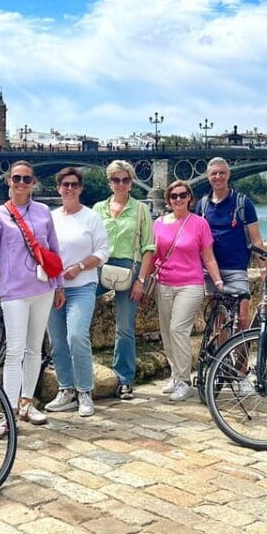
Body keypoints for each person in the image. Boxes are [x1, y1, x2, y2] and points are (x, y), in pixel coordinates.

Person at [0, 160, 65, 439]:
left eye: (26, 179)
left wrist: (58, 286)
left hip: (43, 289)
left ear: (33, 183)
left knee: (35, 348)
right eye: (16, 179)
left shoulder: (43, 212)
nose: (21, 184)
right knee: (14, 351)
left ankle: (26, 403)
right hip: (14, 291)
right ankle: (8, 414)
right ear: (8, 181)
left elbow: (53, 251)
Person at [45, 167, 109, 417]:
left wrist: (80, 266)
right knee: (57, 341)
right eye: (65, 184)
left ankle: (85, 391)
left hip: (83, 286)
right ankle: (66, 389)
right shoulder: (50, 218)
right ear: (58, 188)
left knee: (76, 336)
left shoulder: (91, 217)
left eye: (74, 184)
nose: (69, 188)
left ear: (81, 188)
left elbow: (103, 252)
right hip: (54, 287)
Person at [153, 181, 223, 401]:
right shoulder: (159, 223)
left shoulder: (199, 223)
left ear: (190, 198)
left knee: (178, 330)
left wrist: (218, 281)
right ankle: (176, 375)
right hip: (163, 283)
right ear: (168, 200)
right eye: (173, 196)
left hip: (190, 284)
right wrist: (142, 279)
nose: (178, 199)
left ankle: (184, 381)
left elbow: (208, 256)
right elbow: (152, 255)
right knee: (166, 332)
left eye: (183, 195)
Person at [93, 160, 155, 400]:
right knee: (76, 313)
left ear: (131, 182)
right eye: (116, 179)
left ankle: (125, 379)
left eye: (125, 180)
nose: (121, 184)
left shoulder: (140, 210)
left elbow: (148, 248)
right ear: (110, 183)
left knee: (125, 327)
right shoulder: (98, 208)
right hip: (100, 267)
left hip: (129, 268)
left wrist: (141, 280)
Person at [195, 157, 267, 331]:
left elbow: (256, 239)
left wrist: (263, 269)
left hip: (236, 269)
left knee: (242, 321)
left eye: (222, 173)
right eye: (214, 173)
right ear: (208, 176)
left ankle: (241, 359)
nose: (218, 177)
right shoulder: (201, 205)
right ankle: (221, 357)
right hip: (210, 271)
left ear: (229, 175)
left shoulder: (243, 203)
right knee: (217, 322)